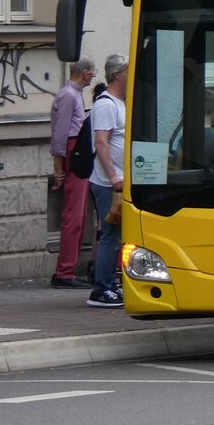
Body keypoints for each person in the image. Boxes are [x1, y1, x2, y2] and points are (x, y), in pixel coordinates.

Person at [48, 56, 96, 289]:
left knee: (79, 215)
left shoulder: (73, 94)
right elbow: (60, 133)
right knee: (73, 215)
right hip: (72, 150)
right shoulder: (69, 95)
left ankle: (68, 269)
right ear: (85, 72)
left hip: (76, 150)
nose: (94, 75)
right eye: (93, 71)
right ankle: (64, 272)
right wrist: (59, 168)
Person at [87, 54, 128, 308]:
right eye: (128, 71)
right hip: (108, 184)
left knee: (118, 235)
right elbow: (101, 142)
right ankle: (101, 289)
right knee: (110, 234)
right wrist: (113, 176)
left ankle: (111, 285)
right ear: (117, 75)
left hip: (120, 182)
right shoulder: (106, 105)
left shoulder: (120, 103)